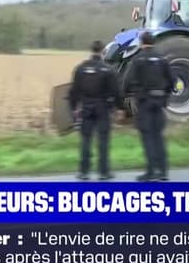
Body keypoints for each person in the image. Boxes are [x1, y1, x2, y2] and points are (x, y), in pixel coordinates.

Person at [68, 40, 125, 181]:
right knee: (103, 141)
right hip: (103, 109)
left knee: (86, 140)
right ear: (102, 51)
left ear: (91, 50)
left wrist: (73, 108)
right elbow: (115, 92)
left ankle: (84, 172)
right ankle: (104, 172)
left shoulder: (80, 69)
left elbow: (73, 92)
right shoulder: (108, 70)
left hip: (86, 108)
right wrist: (120, 108)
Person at [128, 31, 175, 181]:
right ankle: (163, 172)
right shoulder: (162, 59)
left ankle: (150, 171)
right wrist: (165, 96)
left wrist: (129, 96)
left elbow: (127, 82)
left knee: (148, 137)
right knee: (159, 136)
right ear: (153, 42)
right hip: (159, 103)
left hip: (145, 103)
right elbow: (173, 81)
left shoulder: (138, 59)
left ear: (141, 43)